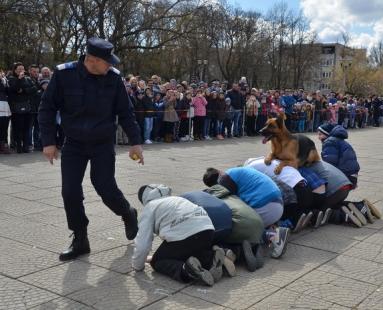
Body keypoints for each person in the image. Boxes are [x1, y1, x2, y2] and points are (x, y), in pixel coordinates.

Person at [38, 37, 143, 261]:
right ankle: (80, 238)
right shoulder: (65, 75)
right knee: (70, 192)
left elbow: (126, 112)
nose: (112, 66)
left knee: (105, 186)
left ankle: (127, 212)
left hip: (102, 143)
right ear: (92, 60)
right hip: (73, 143)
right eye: (108, 62)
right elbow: (47, 108)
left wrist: (136, 142)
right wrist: (48, 141)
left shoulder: (113, 79)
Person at [133, 184, 232, 286]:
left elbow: (142, 244)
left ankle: (187, 270)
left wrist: (137, 265)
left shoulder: (149, 208)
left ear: (144, 201)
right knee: (187, 252)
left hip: (187, 235)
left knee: (158, 261)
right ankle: (211, 259)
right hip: (207, 231)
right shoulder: (175, 198)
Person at [202, 166, 289, 259]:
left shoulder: (224, 180)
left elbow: (232, 206)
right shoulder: (235, 172)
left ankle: (273, 236)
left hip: (265, 205)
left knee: (245, 226)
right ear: (219, 171)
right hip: (276, 203)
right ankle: (273, 229)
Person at [318, 123, 360, 188]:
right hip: (352, 175)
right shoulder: (338, 140)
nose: (318, 137)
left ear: (327, 133)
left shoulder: (330, 142)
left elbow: (330, 165)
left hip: (345, 176)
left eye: (320, 134)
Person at [7, 62, 37, 153]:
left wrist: (23, 90)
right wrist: (19, 80)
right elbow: (14, 89)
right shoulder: (11, 79)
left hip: (27, 107)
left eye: (22, 69)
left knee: (27, 128)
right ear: (15, 70)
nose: (21, 71)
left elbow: (34, 88)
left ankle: (26, 146)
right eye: (19, 69)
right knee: (18, 128)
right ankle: (18, 146)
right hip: (16, 107)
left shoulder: (28, 79)